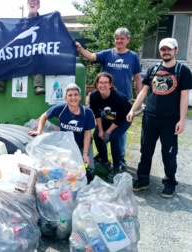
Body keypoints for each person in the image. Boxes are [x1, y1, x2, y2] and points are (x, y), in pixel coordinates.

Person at [127, 38, 192, 198]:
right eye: (163, 49)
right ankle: (143, 180)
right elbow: (144, 91)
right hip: (150, 118)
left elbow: (184, 97)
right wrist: (132, 110)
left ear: (176, 50)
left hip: (170, 120)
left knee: (168, 153)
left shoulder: (183, 71)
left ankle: (169, 183)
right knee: (146, 150)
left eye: (169, 49)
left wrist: (182, 120)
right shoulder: (153, 68)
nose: (165, 52)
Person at [75, 27, 142, 170]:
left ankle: (121, 158)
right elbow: (92, 56)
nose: (119, 41)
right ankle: (103, 155)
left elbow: (137, 78)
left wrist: (139, 99)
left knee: (118, 133)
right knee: (104, 126)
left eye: (122, 38)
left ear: (128, 40)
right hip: (105, 100)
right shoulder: (107, 54)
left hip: (122, 100)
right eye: (117, 38)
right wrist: (80, 49)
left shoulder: (133, 56)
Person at [28, 83, 96, 172]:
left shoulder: (87, 112)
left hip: (83, 144)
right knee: (65, 168)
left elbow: (87, 134)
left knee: (89, 168)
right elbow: (44, 116)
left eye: (76, 95)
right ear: (65, 98)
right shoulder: (61, 108)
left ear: (80, 97)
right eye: (70, 95)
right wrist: (39, 131)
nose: (73, 98)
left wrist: (85, 153)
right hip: (66, 143)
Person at [0, 0, 45, 95]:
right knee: (3, 52)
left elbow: (51, 36)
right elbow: (11, 35)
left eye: (35, 2)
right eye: (30, 1)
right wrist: (1, 25)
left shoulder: (44, 22)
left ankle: (38, 85)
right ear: (27, 5)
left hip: (35, 53)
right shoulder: (20, 23)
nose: (32, 3)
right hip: (20, 53)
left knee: (37, 53)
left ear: (39, 5)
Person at [89, 72, 132, 180]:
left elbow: (120, 118)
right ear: (96, 84)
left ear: (110, 84)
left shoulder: (119, 97)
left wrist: (107, 131)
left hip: (124, 118)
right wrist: (100, 130)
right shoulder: (94, 96)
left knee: (113, 137)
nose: (103, 85)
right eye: (100, 82)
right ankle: (104, 161)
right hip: (109, 115)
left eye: (106, 82)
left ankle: (116, 168)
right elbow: (97, 114)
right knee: (97, 136)